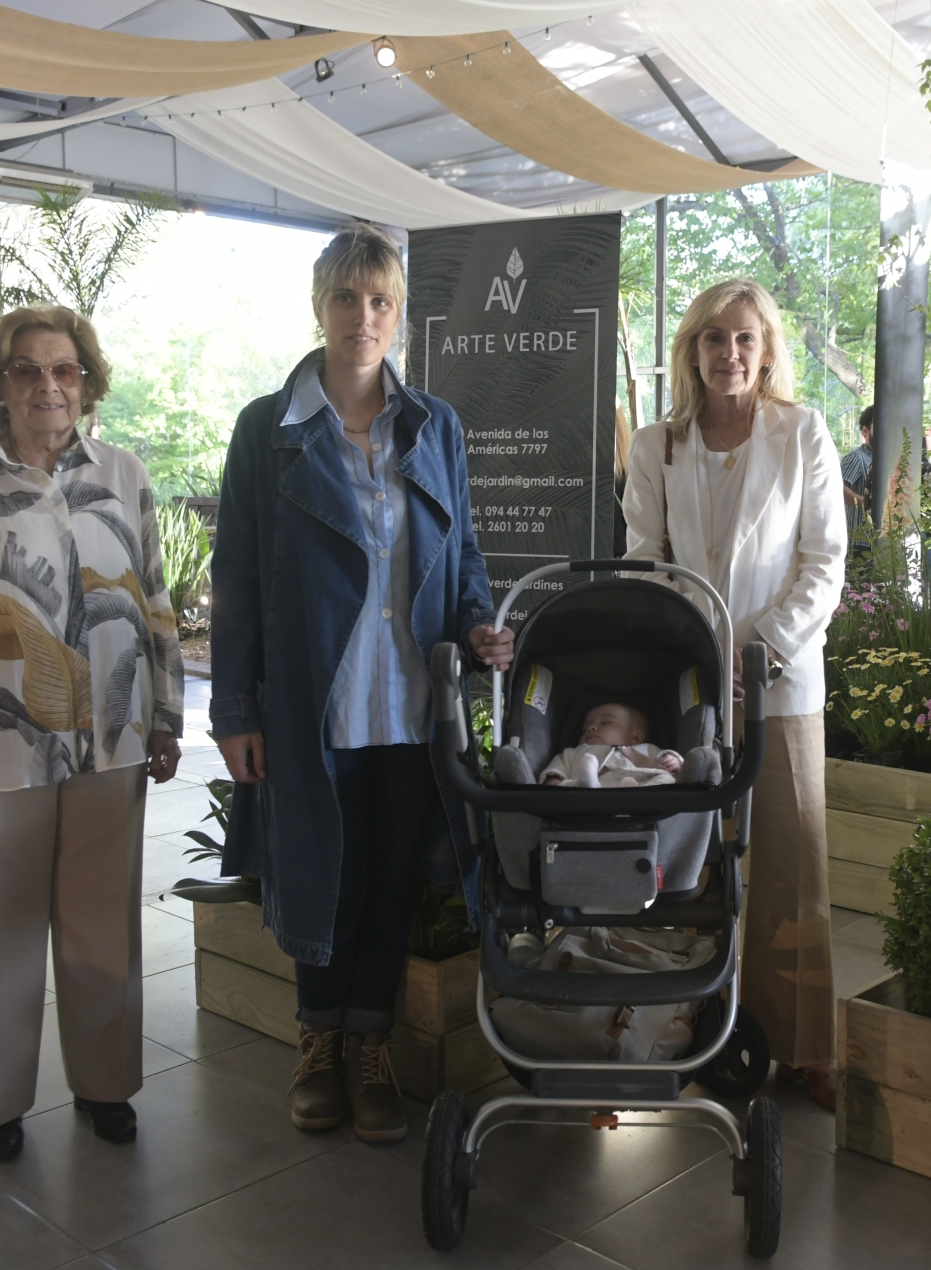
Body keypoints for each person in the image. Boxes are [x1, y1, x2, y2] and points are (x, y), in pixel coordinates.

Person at [209, 224, 512, 1144]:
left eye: (380, 301)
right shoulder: (270, 430)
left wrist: (478, 626)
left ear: (401, 317)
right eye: (347, 298)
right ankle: (319, 1042)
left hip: (411, 697)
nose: (363, 317)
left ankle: (370, 1047)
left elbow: (461, 554)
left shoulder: (434, 426)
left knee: (385, 878)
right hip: (316, 699)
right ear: (319, 308)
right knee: (321, 871)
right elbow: (237, 578)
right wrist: (236, 708)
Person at [0, 305, 184, 1164]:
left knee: (102, 924)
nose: (49, 386)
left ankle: (103, 1086)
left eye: (65, 370)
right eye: (29, 371)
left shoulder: (124, 474)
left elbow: (155, 601)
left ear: (85, 382)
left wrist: (165, 716)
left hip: (111, 740)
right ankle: (0, 1102)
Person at [622, 277, 847, 1109]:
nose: (730, 354)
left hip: (782, 683)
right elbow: (647, 558)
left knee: (794, 866)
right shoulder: (658, 445)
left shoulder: (802, 433)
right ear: (693, 351)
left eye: (745, 338)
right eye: (714, 339)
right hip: (689, 683)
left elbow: (824, 562)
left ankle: (802, 1049)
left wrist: (763, 651)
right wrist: (698, 654)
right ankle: (687, 1027)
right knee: (689, 865)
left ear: (767, 348)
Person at [539, 702, 686, 787]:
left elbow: (668, 765)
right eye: (586, 728)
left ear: (636, 737)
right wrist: (554, 782)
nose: (591, 728)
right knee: (571, 787)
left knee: (666, 780)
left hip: (642, 789)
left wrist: (674, 761)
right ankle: (588, 785)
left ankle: (632, 795)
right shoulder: (574, 752)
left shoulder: (648, 749)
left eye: (606, 723)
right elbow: (555, 771)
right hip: (586, 797)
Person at [840, 405, 875, 541]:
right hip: (858, 542)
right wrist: (868, 503)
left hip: (875, 544)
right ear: (865, 432)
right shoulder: (857, 457)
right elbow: (838, 489)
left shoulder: (883, 461)